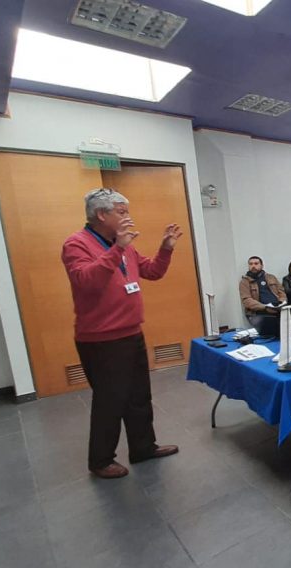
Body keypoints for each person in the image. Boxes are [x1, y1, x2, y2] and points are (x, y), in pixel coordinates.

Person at [61, 188, 181, 479]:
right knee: (110, 400)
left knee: (139, 396)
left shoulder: (123, 244)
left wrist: (165, 248)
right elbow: (88, 282)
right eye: (122, 211)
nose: (128, 216)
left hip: (131, 332)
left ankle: (143, 447)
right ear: (102, 215)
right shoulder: (76, 244)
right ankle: (100, 460)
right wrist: (116, 250)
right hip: (101, 339)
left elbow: (151, 272)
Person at [239, 256, 286, 329]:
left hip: (277, 308)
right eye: (251, 264)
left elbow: (281, 292)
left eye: (256, 263)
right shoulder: (245, 282)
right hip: (259, 312)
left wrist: (281, 302)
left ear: (262, 265)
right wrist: (265, 307)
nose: (253, 266)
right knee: (273, 327)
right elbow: (246, 300)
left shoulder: (271, 277)